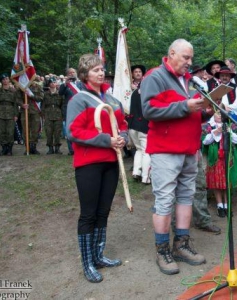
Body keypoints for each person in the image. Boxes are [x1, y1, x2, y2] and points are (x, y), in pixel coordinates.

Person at [141, 39, 207, 275]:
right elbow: (148, 110)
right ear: (171, 53)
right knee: (165, 199)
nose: (190, 63)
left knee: (186, 196)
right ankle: (162, 250)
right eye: (186, 57)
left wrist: (206, 111)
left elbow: (192, 113)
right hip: (165, 150)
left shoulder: (190, 81)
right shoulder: (154, 77)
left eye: (191, 58)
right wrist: (185, 107)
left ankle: (181, 244)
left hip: (189, 149)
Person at [66, 54, 128, 283]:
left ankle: (99, 255)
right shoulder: (78, 100)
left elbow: (122, 125)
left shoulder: (112, 100)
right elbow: (73, 132)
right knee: (89, 214)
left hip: (111, 163)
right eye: (95, 70)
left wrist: (122, 138)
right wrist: (106, 140)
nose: (100, 73)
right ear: (84, 75)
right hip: (88, 164)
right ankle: (88, 263)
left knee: (103, 212)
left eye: (102, 69)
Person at [203, 111, 237, 217]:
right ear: (213, 114)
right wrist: (215, 132)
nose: (219, 115)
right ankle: (220, 205)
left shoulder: (230, 125)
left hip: (228, 158)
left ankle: (227, 204)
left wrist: (229, 132)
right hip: (215, 159)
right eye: (217, 113)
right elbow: (205, 142)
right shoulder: (209, 126)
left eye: (221, 113)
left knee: (227, 182)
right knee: (216, 182)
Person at [214, 66, 237, 182]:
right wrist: (221, 109)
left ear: (230, 77)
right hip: (219, 121)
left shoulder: (236, 88)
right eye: (222, 75)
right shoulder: (215, 89)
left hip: (234, 119)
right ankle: (224, 171)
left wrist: (226, 109)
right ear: (219, 77)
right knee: (223, 145)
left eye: (226, 75)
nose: (224, 77)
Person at [127, 64, 151, 184]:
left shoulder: (135, 92)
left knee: (139, 150)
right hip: (143, 125)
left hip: (132, 125)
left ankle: (136, 172)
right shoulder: (146, 94)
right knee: (146, 151)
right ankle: (145, 177)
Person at [16, 75, 44, 155]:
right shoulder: (21, 87)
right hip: (25, 111)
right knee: (25, 130)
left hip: (35, 111)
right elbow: (17, 98)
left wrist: (31, 95)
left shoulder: (38, 87)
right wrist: (22, 104)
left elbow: (41, 98)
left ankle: (33, 147)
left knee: (35, 130)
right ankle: (27, 148)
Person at [59, 68, 83, 155]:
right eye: (70, 73)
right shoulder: (65, 85)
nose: (72, 74)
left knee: (80, 128)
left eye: (73, 72)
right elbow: (60, 93)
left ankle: (80, 147)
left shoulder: (80, 84)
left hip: (80, 109)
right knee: (69, 129)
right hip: (69, 109)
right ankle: (71, 150)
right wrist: (66, 83)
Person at [42, 77, 64, 154]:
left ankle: (57, 148)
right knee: (49, 132)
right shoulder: (45, 94)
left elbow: (62, 105)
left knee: (57, 132)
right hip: (48, 115)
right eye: (51, 82)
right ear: (49, 84)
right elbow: (43, 105)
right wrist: (43, 114)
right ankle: (50, 148)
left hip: (58, 115)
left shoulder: (60, 94)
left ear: (56, 84)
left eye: (54, 82)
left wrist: (63, 115)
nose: (53, 84)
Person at [0, 73, 18, 156]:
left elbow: (15, 104)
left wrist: (16, 115)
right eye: (3, 79)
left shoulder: (13, 91)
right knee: (2, 132)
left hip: (10, 113)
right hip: (1, 113)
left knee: (10, 132)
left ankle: (10, 149)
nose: (5, 80)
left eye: (6, 79)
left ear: (9, 80)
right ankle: (4, 148)